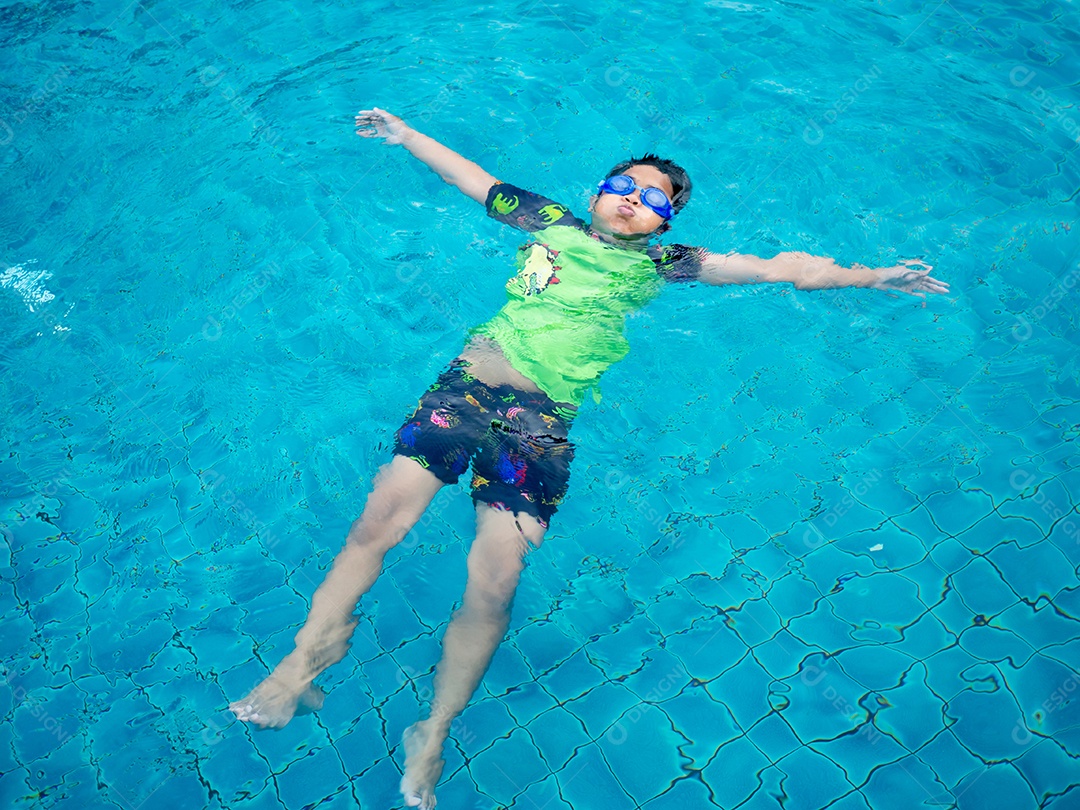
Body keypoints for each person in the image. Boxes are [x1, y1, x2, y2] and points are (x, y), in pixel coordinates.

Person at [229, 106, 949, 809]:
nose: (634, 200)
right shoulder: (547, 222)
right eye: (624, 186)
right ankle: (302, 664)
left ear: (666, 223)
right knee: (377, 526)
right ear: (597, 193)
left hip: (541, 427)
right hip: (467, 389)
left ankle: (435, 727)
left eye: (654, 199)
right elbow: (471, 178)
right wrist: (406, 133)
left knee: (494, 583)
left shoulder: (669, 263)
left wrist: (876, 276)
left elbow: (781, 268)